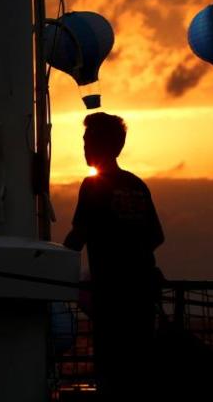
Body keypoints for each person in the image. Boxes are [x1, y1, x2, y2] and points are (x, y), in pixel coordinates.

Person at [63, 112, 164, 400]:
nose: (82, 147)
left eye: (86, 140)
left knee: (112, 370)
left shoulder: (93, 185)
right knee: (139, 370)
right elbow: (157, 236)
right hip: (143, 294)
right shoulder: (137, 185)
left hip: (111, 297)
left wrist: (49, 266)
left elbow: (77, 237)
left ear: (99, 144)